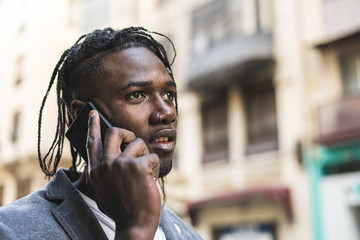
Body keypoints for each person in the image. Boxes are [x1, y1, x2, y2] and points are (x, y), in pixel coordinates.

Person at [0, 27, 202, 240]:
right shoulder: (10, 230)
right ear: (83, 116)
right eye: (137, 95)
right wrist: (135, 230)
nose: (167, 112)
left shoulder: (189, 235)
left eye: (168, 94)